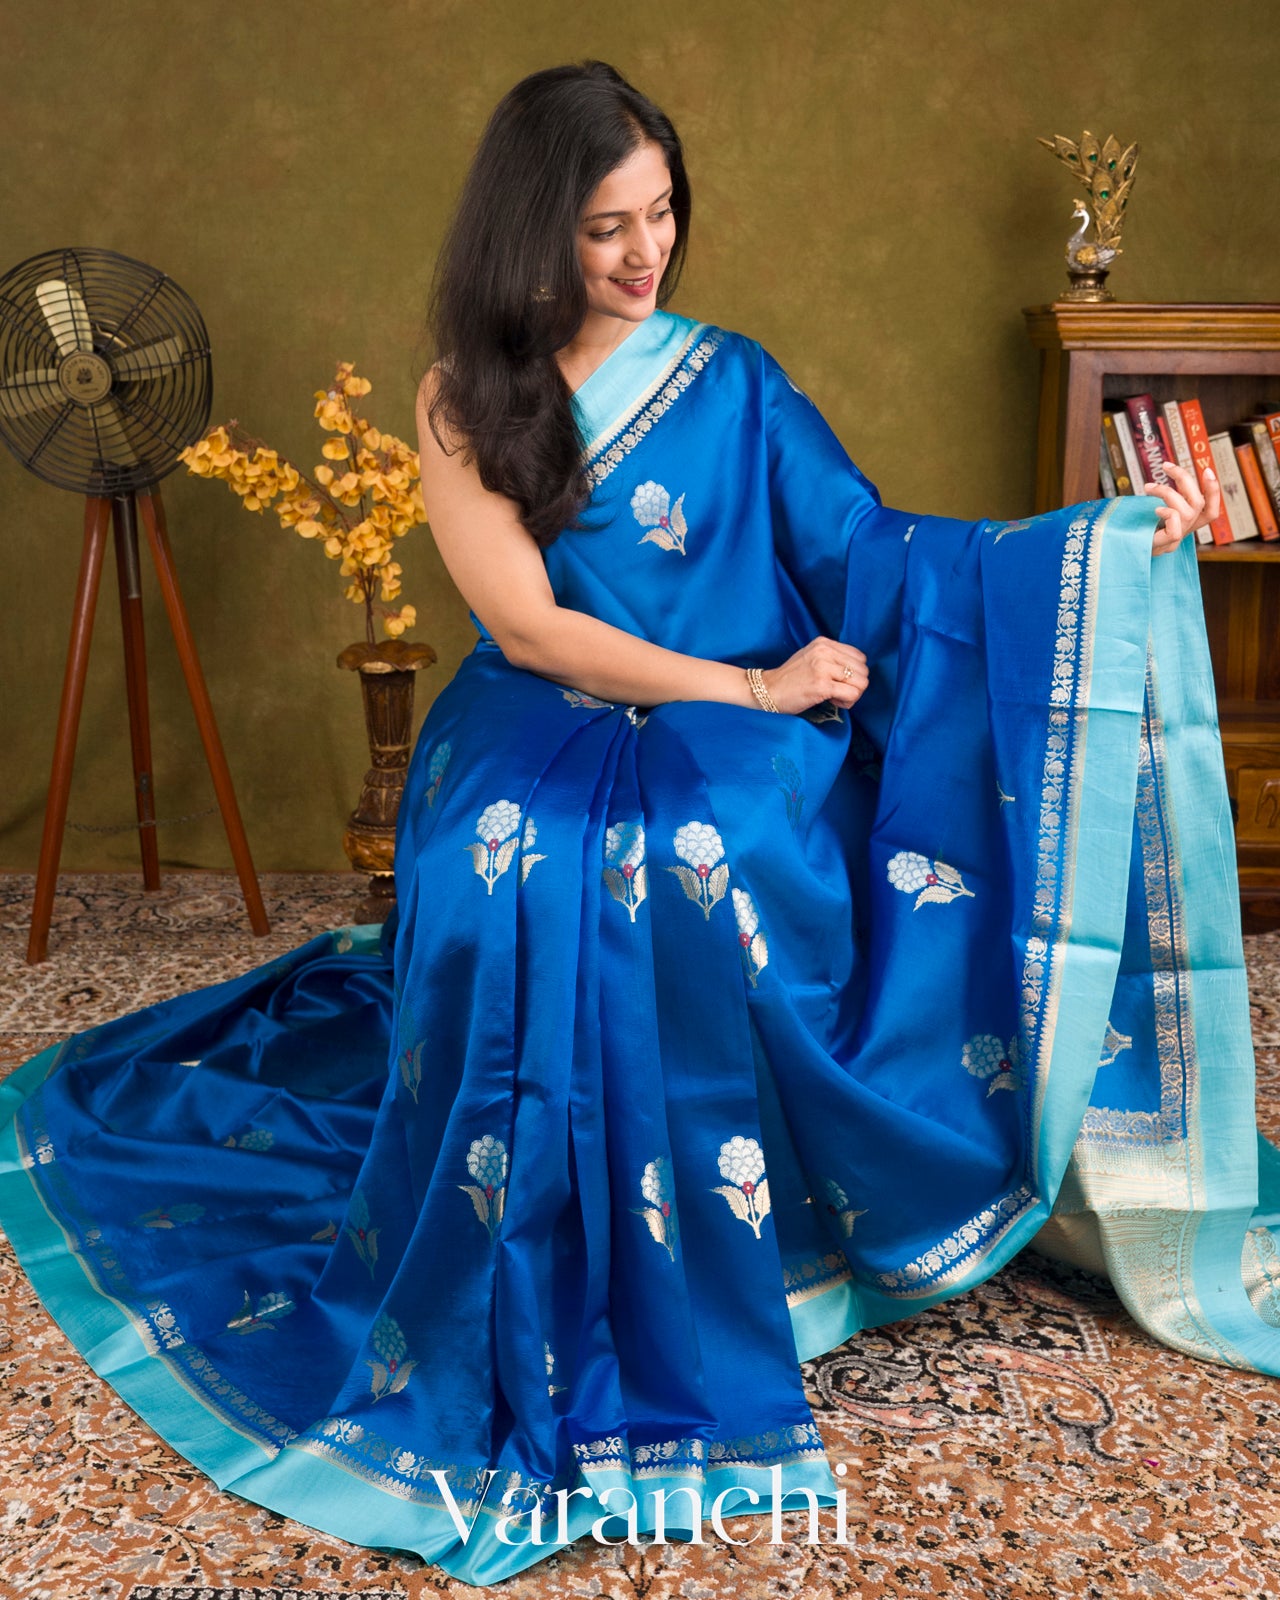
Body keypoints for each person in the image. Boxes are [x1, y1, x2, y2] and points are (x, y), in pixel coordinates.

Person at [1, 59, 1275, 1589]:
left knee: (703, 849)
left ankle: (793, 1215)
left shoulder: (732, 381)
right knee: (533, 857)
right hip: (546, 713)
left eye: (661, 214)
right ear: (532, 228)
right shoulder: (466, 396)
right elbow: (531, 628)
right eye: (607, 226)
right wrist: (747, 684)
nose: (644, 252)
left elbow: (867, 546)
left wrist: (1097, 551)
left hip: (739, 707)